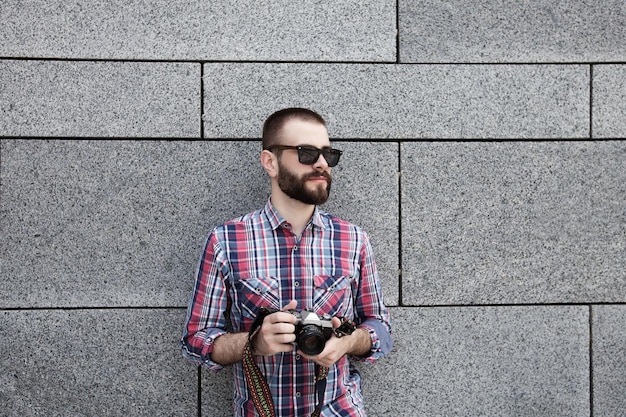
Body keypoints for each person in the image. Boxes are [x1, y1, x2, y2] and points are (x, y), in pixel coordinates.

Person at [181, 107, 392, 417]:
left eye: (328, 154)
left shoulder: (354, 240)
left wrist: (348, 342)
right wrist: (253, 342)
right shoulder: (226, 241)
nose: (322, 164)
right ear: (270, 162)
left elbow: (380, 329)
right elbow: (195, 340)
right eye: (306, 153)